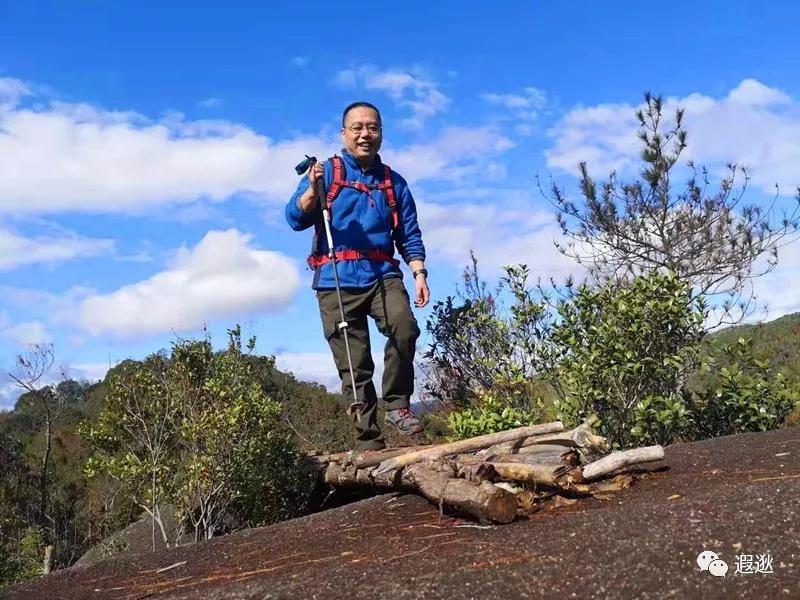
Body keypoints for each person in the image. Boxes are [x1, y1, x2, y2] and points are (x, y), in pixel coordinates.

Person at [285, 102, 430, 451]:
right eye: (357, 128)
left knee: (404, 326)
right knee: (354, 364)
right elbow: (294, 217)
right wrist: (311, 190)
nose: (365, 134)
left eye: (372, 127)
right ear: (344, 134)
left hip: (382, 274)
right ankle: (369, 443)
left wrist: (419, 272)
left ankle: (397, 405)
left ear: (381, 133)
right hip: (335, 277)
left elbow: (409, 233)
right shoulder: (326, 173)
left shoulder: (394, 183)